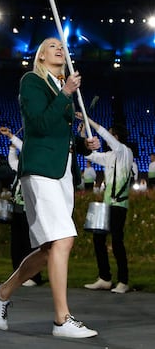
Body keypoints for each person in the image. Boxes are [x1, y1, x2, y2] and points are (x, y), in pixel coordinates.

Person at [0, 37, 99, 339]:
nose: (59, 48)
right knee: (63, 239)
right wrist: (64, 94)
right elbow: (38, 125)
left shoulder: (62, 86)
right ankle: (62, 320)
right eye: (52, 46)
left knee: (51, 247)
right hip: (40, 171)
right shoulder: (32, 82)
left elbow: (58, 134)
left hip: (61, 172)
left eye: (61, 46)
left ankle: (2, 293)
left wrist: (83, 144)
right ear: (40, 57)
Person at [78, 115, 133, 294]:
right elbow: (90, 155)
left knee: (117, 241)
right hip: (107, 204)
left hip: (119, 204)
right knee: (98, 238)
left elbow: (105, 136)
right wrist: (83, 135)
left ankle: (123, 281)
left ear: (116, 137)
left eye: (110, 135)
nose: (106, 138)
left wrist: (90, 120)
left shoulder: (124, 152)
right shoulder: (109, 156)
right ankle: (105, 278)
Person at [0, 126, 42, 287]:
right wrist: (11, 148)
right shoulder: (22, 166)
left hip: (30, 209)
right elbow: (12, 161)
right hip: (17, 208)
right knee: (16, 243)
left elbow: (26, 149)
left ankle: (33, 276)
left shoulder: (37, 163)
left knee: (29, 243)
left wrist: (11, 136)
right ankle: (17, 272)